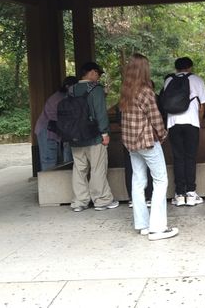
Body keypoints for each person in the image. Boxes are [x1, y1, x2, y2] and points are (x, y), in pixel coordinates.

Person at [119, 53, 179, 240]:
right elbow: (155, 117)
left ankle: (143, 224)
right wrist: (163, 134)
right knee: (160, 180)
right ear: (144, 69)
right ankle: (158, 228)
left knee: (138, 181)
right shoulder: (145, 91)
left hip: (130, 143)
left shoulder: (125, 91)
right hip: (146, 141)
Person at [69, 62, 119, 212]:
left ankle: (79, 202)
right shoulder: (95, 89)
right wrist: (105, 133)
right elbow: (100, 112)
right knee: (97, 168)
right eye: (98, 73)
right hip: (94, 136)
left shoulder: (71, 90)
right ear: (91, 72)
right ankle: (101, 200)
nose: (98, 77)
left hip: (75, 136)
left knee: (79, 169)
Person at [164, 57, 205, 207]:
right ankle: (191, 193)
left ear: (176, 68)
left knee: (178, 157)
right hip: (191, 123)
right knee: (190, 157)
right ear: (190, 67)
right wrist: (199, 122)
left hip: (173, 123)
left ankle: (179, 194)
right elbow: (202, 107)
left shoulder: (168, 81)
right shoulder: (197, 80)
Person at [35, 76, 77, 171]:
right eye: (75, 87)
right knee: (49, 160)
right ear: (67, 86)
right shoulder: (58, 99)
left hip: (55, 130)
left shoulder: (65, 97)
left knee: (56, 160)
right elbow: (59, 119)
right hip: (47, 131)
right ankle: (48, 184)